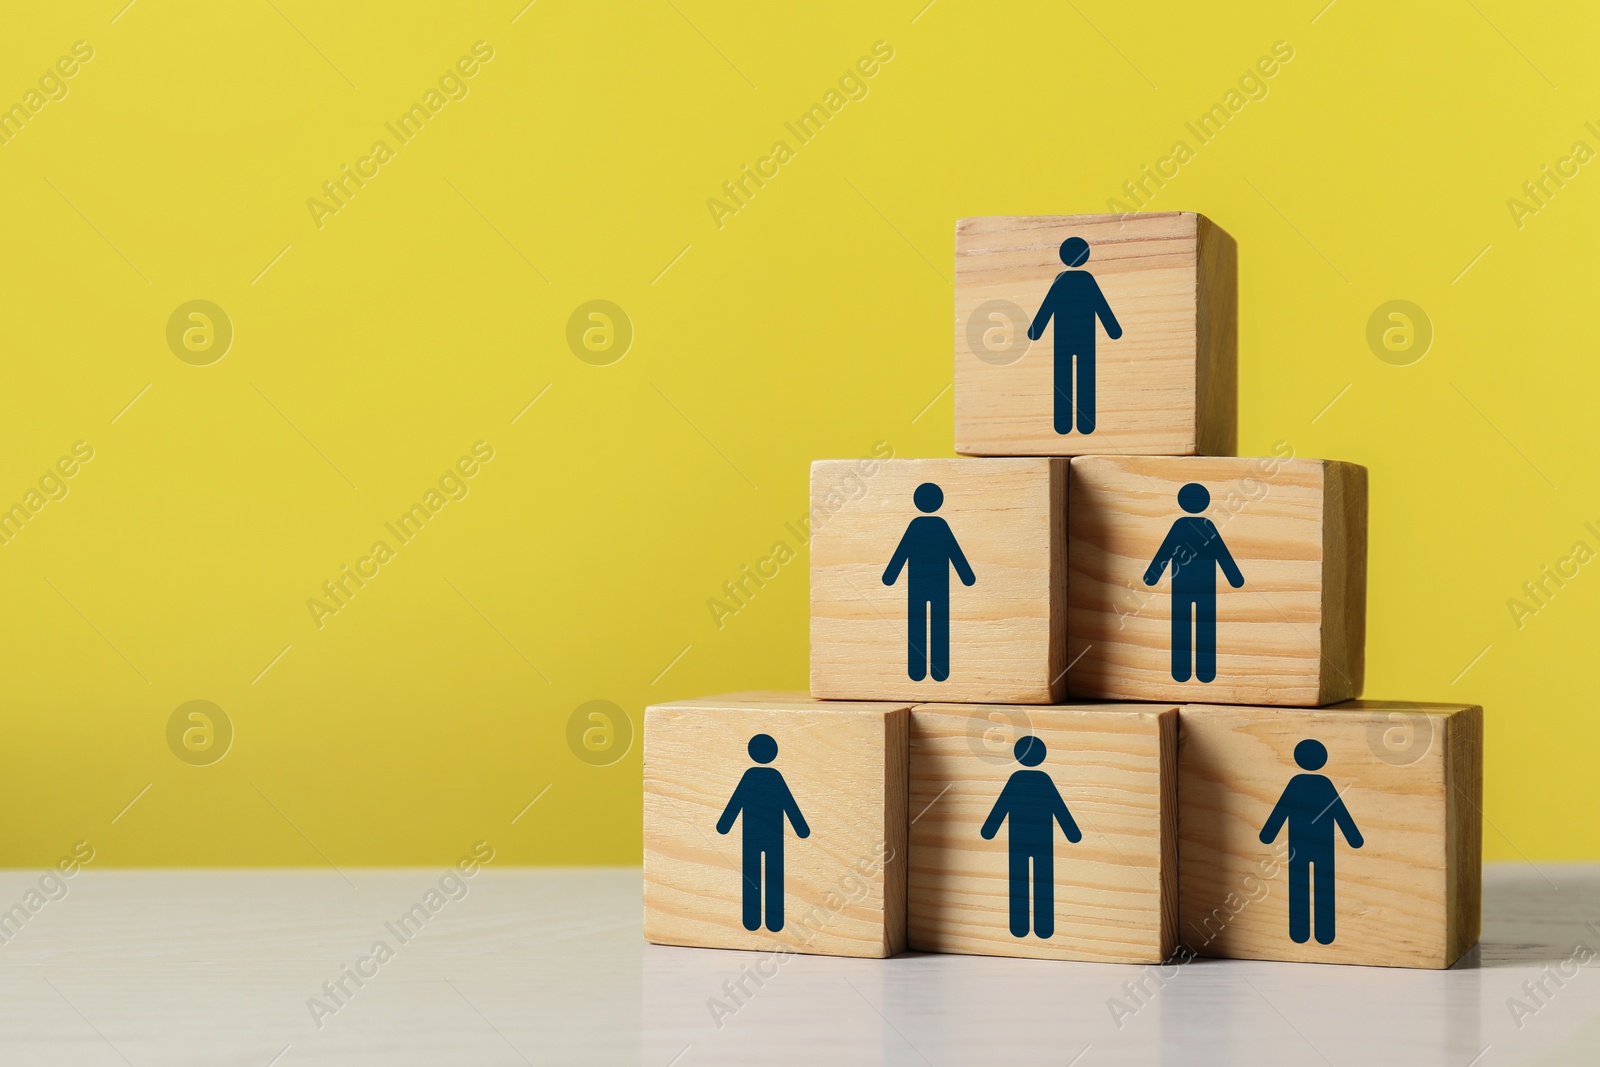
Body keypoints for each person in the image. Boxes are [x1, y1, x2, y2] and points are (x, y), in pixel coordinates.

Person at [1259, 738, 1363, 945]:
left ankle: (1300, 933)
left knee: (1299, 886)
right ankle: (1324, 933)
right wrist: (1354, 838)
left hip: (1299, 845)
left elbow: (1281, 811)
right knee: (1323, 886)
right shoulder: (1324, 784)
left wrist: (1268, 834)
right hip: (1322, 845)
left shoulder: (1297, 783)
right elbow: (1340, 812)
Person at [980, 736, 1081, 938]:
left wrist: (989, 830)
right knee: (1042, 881)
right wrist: (1072, 833)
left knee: (1019, 880)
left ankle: (1019, 926)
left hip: (1019, 840)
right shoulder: (1042, 780)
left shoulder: (1017, 779)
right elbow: (1059, 809)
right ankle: (1043, 928)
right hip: (1042, 839)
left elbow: (1001, 808)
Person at [1142, 482, 1244, 683]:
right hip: (1203, 586)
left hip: (1183, 585)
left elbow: (1165, 553)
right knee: (1204, 626)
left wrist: (1152, 575)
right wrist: (1234, 578)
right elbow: (1222, 554)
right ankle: (1204, 672)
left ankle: (1182, 672)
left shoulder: (1181, 525)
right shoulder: (1205, 525)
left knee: (1183, 626)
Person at [1026, 236, 1122, 435]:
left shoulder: (1064, 280)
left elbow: (1047, 307)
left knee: (1064, 380)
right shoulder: (1086, 279)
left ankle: (1064, 424)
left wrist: (1035, 331)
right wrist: (1113, 329)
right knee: (1085, 379)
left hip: (1064, 339)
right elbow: (1101, 306)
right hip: (1084, 339)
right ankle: (1084, 424)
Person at [882, 482, 976, 682]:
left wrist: (890, 576)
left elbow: (902, 553)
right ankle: (938, 670)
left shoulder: (917, 525)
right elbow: (955, 553)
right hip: (938, 584)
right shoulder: (938, 525)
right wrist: (967, 576)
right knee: (937, 625)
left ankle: (919, 671)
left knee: (919, 625)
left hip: (919, 585)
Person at [716, 734, 809, 932]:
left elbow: (735, 803)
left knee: (753, 876)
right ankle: (773, 921)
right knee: (772, 874)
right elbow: (789, 805)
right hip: (772, 835)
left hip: (753, 835)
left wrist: (724, 825)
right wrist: (801, 828)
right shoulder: (773, 776)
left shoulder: (751, 776)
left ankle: (752, 919)